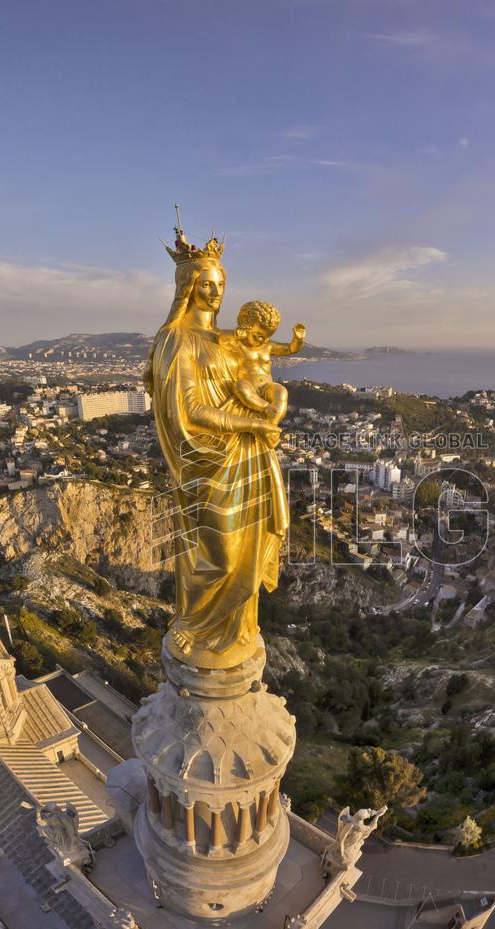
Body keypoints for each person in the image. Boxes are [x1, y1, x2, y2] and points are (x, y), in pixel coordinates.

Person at [143, 236, 289, 668]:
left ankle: (237, 629)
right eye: (206, 283)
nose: (216, 291)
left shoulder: (226, 339)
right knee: (219, 555)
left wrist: (269, 399)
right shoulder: (176, 338)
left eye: (220, 283)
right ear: (187, 286)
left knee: (246, 546)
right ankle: (196, 625)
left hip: (246, 456)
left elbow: (251, 377)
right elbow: (188, 409)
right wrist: (255, 423)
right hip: (206, 463)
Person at [217, 300, 306, 424]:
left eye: (266, 337)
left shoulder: (268, 346)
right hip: (249, 386)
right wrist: (237, 333)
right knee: (240, 387)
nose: (263, 340)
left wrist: (298, 340)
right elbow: (219, 337)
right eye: (258, 335)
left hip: (267, 386)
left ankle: (272, 425)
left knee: (281, 392)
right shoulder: (237, 343)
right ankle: (264, 407)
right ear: (246, 329)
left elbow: (290, 349)